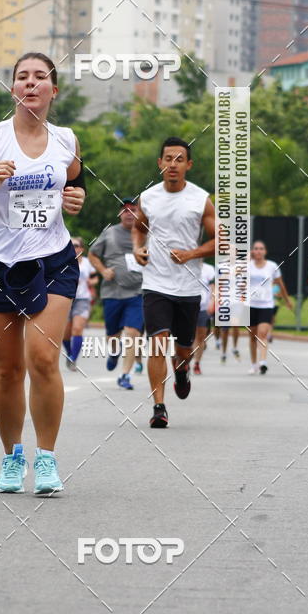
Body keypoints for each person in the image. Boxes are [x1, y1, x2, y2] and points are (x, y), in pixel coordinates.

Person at [0, 52, 85, 495]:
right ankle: (13, 458)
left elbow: (72, 182)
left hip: (52, 259)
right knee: (8, 370)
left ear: (54, 90)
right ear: (12, 88)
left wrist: (74, 200)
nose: (30, 84)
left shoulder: (67, 139)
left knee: (43, 358)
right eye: (21, 77)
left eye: (39, 77)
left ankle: (46, 459)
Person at [132, 137, 215, 428]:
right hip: (156, 283)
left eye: (179, 159)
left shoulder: (200, 199)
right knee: (156, 344)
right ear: (160, 163)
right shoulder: (149, 197)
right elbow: (138, 227)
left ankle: (182, 370)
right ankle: (158, 406)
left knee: (182, 349)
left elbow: (221, 240)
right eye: (168, 159)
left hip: (188, 286)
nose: (173, 164)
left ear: (188, 165)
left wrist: (192, 253)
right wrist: (137, 247)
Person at [88, 199, 144, 390]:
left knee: (133, 332)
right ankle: (113, 352)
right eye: (125, 210)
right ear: (120, 214)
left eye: (133, 210)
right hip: (112, 291)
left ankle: (125, 375)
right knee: (113, 335)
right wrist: (103, 271)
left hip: (137, 291)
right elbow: (92, 254)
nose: (129, 213)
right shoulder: (109, 232)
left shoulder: (146, 234)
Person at [248, 241, 293, 375]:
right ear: (252, 251)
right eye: (256, 249)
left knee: (262, 333)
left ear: (265, 251)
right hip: (250, 305)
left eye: (261, 249)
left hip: (266, 305)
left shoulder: (272, 266)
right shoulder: (247, 266)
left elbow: (280, 284)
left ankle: (263, 362)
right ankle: (253, 364)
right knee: (252, 336)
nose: (258, 251)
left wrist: (287, 300)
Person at [63, 237, 98, 371]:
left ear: (82, 249)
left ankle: (73, 358)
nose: (73, 248)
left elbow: (95, 279)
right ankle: (70, 352)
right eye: (70, 245)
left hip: (83, 299)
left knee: (77, 329)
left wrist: (91, 283)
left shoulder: (87, 263)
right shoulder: (63, 262)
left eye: (76, 245)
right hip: (66, 299)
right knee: (65, 334)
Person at [190, 263, 215, 375]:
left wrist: (212, 302)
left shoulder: (209, 269)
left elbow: (213, 287)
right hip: (188, 306)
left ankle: (197, 363)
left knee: (200, 337)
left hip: (203, 307)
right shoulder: (186, 265)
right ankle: (185, 362)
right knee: (188, 337)